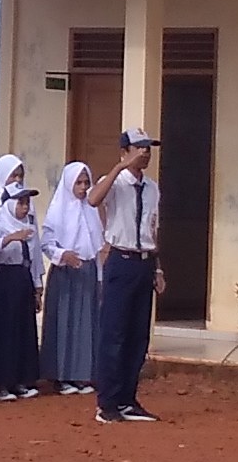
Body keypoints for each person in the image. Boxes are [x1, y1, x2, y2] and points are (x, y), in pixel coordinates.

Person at [94, 128, 162, 424]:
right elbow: (93, 200)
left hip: (143, 261)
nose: (145, 153)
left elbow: (153, 228)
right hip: (120, 260)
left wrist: (158, 266)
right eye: (139, 147)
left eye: (148, 148)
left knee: (137, 336)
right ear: (124, 150)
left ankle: (127, 399)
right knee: (115, 334)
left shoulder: (152, 188)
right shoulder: (114, 183)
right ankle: (106, 403)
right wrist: (119, 167)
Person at [0, 154, 44, 399]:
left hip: (23, 278)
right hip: (5, 279)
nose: (24, 207)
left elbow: (34, 254)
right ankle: (0, 382)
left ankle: (19, 379)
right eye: (20, 203)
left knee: (22, 330)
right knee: (4, 331)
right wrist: (9, 238)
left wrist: (37, 285)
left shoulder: (28, 226)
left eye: (27, 203)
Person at [41, 158, 102, 394]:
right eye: (79, 183)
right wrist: (62, 254)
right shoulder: (58, 210)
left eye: (86, 182)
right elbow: (46, 243)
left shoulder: (90, 208)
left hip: (86, 272)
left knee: (85, 324)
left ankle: (81, 375)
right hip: (65, 273)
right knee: (64, 324)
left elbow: (95, 245)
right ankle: (61, 376)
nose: (83, 188)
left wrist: (99, 277)